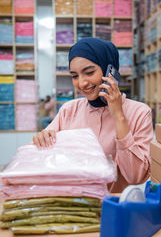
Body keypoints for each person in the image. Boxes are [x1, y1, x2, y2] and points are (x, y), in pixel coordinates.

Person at [32, 37, 153, 193]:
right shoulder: (69, 110)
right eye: (75, 76)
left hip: (114, 209)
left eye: (89, 72)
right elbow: (45, 158)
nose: (81, 83)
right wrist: (41, 140)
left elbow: (135, 176)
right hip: (73, 207)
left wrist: (118, 114)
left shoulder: (139, 113)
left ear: (110, 70)